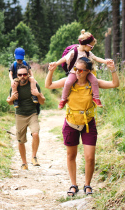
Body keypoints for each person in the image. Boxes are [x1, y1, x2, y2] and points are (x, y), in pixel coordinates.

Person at [45, 57, 119, 196]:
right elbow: (48, 85)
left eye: (80, 70)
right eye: (75, 69)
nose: (77, 72)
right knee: (71, 155)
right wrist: (51, 71)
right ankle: (73, 185)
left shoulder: (93, 83)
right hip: (71, 122)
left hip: (88, 123)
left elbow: (115, 84)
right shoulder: (69, 82)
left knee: (90, 157)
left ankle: (88, 185)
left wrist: (112, 69)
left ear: (88, 71)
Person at [50, 30, 109, 108]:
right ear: (85, 45)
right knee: (68, 82)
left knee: (94, 80)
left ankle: (96, 97)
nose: (92, 48)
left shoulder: (87, 52)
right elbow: (64, 58)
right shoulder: (74, 52)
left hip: (86, 72)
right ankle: (63, 99)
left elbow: (95, 58)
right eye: (91, 47)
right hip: (74, 72)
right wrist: (56, 63)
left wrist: (106, 61)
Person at [7, 65, 45, 169]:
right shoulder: (14, 86)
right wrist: (12, 99)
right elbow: (10, 102)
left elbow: (42, 101)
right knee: (21, 140)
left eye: (24, 74)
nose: (22, 76)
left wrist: (38, 95)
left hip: (32, 113)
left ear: (28, 75)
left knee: (35, 134)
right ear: (17, 76)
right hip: (20, 115)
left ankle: (34, 156)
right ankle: (24, 163)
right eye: (20, 75)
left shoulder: (34, 85)